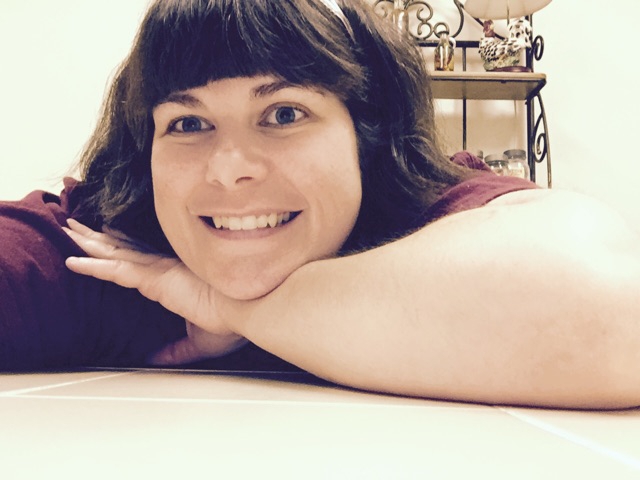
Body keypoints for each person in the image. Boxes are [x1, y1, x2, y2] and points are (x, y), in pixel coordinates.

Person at [1, 0, 639, 410]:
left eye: (283, 114)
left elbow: (615, 316)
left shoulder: (435, 215)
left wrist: (229, 310)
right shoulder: (107, 251)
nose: (229, 169)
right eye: (188, 124)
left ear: (367, 137)